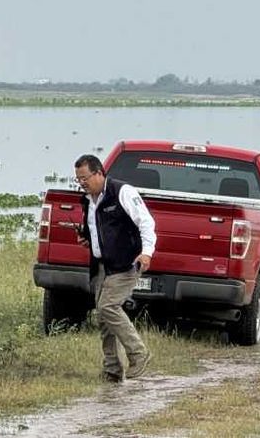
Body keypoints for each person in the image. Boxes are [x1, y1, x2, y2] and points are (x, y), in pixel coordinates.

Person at [74, 154, 156, 382]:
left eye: (85, 178)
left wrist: (147, 252)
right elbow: (99, 230)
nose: (82, 183)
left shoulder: (122, 192)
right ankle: (112, 369)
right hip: (101, 265)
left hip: (126, 263)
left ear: (99, 172)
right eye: (78, 180)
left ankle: (139, 353)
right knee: (103, 317)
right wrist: (88, 240)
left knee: (108, 307)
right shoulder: (88, 200)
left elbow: (146, 222)